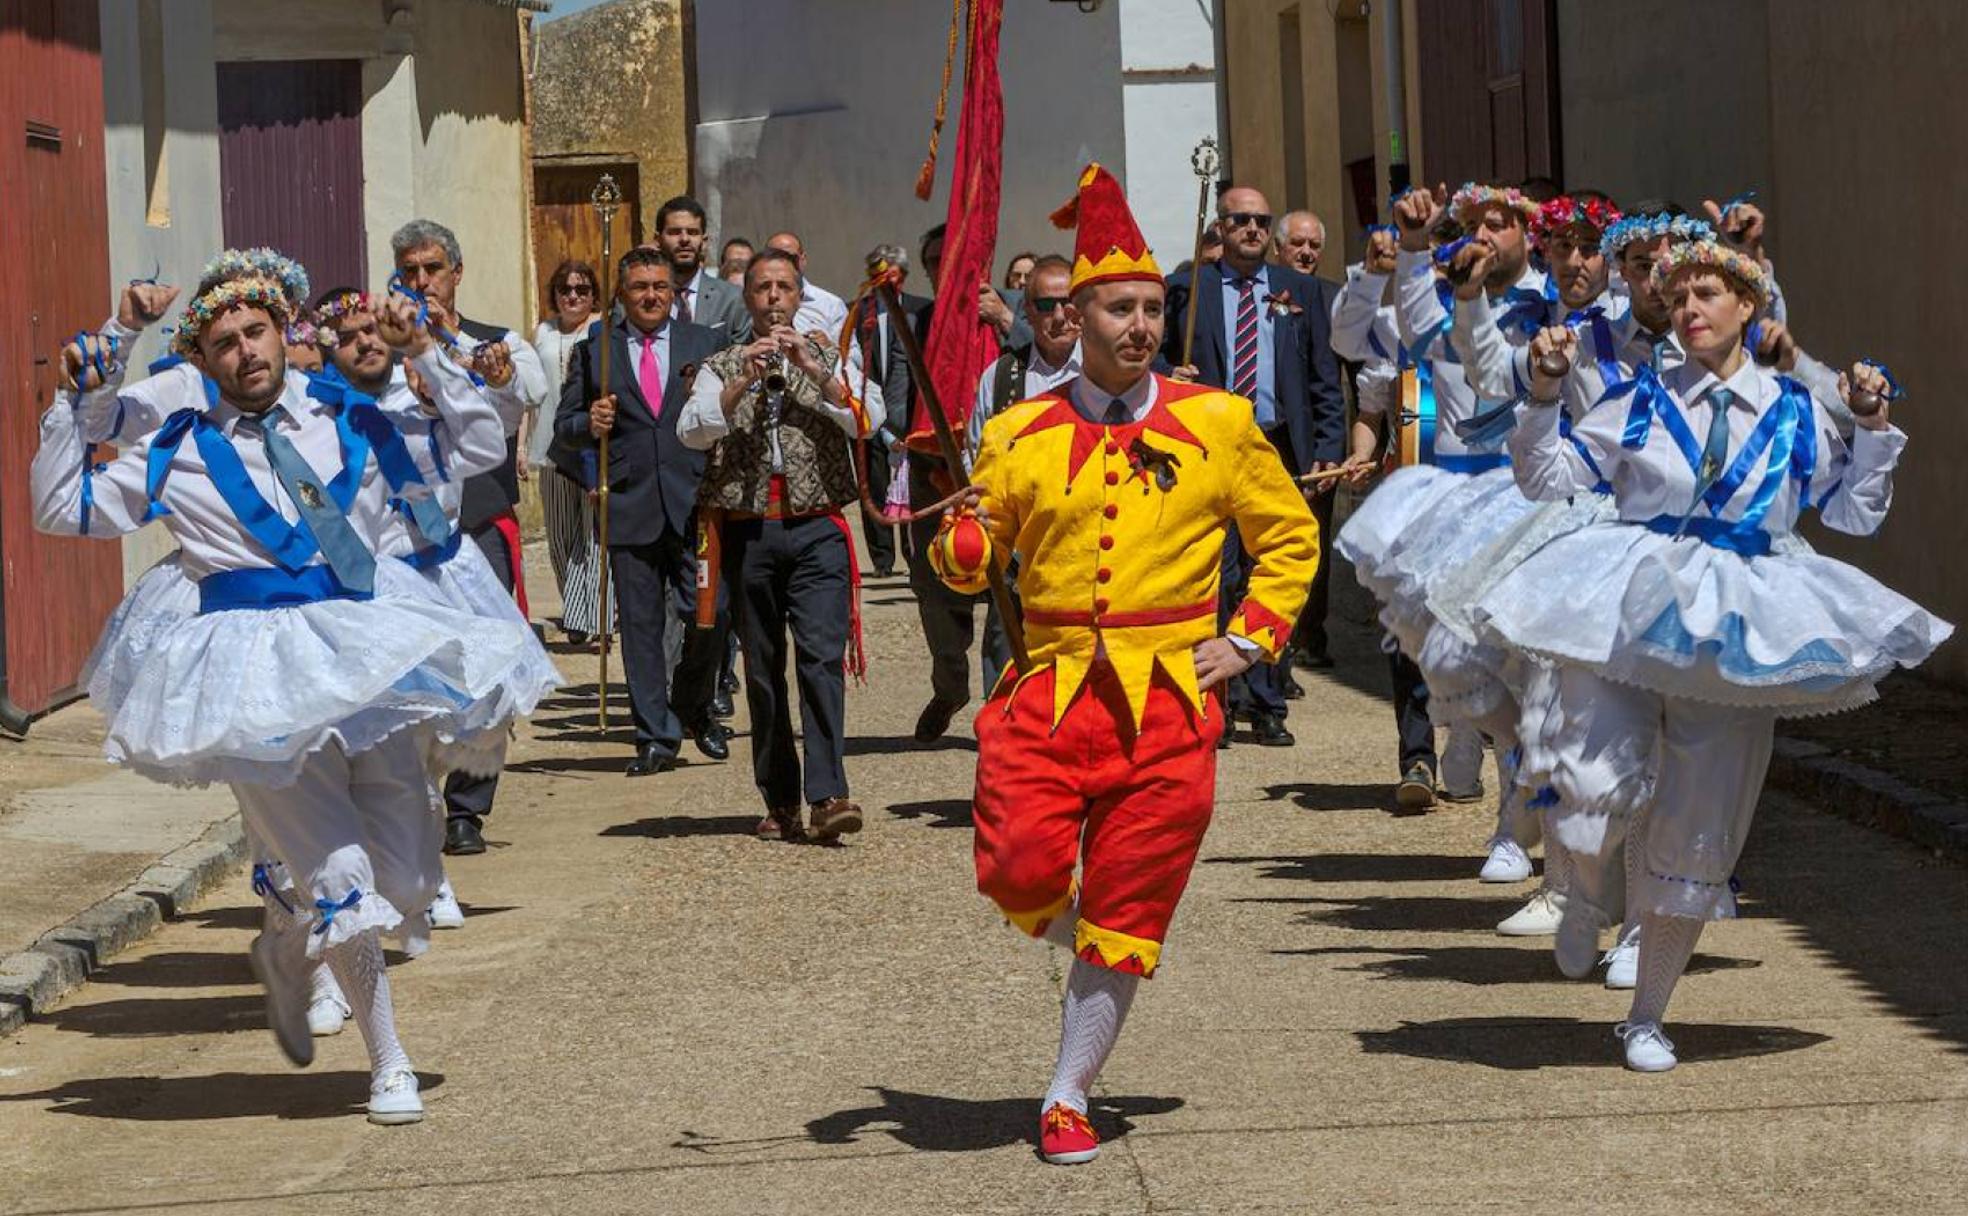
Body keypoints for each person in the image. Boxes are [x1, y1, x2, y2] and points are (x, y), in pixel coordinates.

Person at [38, 267, 540, 1124]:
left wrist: (428, 350)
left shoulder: (351, 415)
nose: (245, 352)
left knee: (412, 880)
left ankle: (284, 916)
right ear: (202, 357)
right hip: (256, 670)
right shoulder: (181, 447)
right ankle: (389, 1063)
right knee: (342, 871)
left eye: (257, 332)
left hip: (361, 648)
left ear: (283, 331)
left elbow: (478, 449)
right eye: (224, 342)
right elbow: (61, 505)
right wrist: (83, 384)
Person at [1476, 241, 1949, 1070]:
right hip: (1633, 591)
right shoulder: (1636, 397)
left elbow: (1854, 516)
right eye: (1680, 296)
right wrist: (1544, 392)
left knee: (1701, 816)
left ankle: (1647, 1016)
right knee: (1592, 777)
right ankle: (1583, 892)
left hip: (1740, 614)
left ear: (1748, 308)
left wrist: (1871, 426)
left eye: (1707, 294)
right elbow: (1549, 477)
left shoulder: (1796, 409)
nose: (1690, 308)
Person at [932, 164, 1318, 1164]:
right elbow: (971, 559)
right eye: (1120, 307)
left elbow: (1290, 540)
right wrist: (964, 544)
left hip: (1169, 706)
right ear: (1076, 317)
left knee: (1127, 901)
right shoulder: (1018, 433)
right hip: (1048, 696)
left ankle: (1069, 1090)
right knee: (1014, 871)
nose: (1140, 325)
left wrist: (1247, 641)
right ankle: (1108, 944)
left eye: (1152, 307)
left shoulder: (1217, 425)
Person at [677, 248, 873, 843]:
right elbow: (692, 431)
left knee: (819, 659)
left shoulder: (831, 356)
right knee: (762, 670)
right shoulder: (721, 364)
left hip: (816, 529)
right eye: (762, 288)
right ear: (748, 298)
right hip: (749, 530)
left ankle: (829, 793)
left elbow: (868, 418)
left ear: (798, 294)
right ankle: (781, 797)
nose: (772, 299)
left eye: (783, 288)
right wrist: (742, 380)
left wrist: (813, 371)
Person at [1163, 183, 1345, 746]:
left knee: (1270, 572)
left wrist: (1329, 445)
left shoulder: (1298, 291)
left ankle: (1267, 701)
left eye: (1261, 222)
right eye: (1240, 220)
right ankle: (1216, 699)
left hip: (1279, 447)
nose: (1252, 231)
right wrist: (1171, 375)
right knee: (1216, 575)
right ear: (1220, 226)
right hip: (1211, 448)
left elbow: (1323, 376)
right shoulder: (1187, 290)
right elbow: (1159, 356)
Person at [390, 218, 550, 857]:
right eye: (411, 271)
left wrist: (450, 340)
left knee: (482, 666)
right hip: (401, 537)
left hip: (477, 528)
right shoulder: (379, 347)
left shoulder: (496, 342)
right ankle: (412, 798)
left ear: (456, 274)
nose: (423, 281)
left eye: (433, 269)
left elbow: (532, 391)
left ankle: (467, 807)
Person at [552, 247, 732, 776]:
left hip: (696, 499)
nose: (651, 296)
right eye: (639, 288)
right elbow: (563, 430)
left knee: (713, 611)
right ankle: (655, 735)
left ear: (674, 292)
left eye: (660, 286)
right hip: (629, 500)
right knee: (640, 625)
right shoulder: (597, 351)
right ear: (622, 295)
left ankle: (693, 703)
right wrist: (591, 421)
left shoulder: (705, 343)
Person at [529, 258, 612, 645]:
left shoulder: (604, 330)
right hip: (551, 442)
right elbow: (532, 394)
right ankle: (576, 607)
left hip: (592, 444)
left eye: (581, 289)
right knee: (561, 534)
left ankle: (593, 618)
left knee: (595, 534)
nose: (573, 296)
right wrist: (522, 445)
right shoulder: (542, 332)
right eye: (565, 289)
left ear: (594, 294)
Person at [651, 195, 750, 348]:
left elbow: (741, 357)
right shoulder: (642, 298)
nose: (684, 239)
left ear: (704, 241)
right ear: (658, 240)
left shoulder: (732, 299)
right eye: (675, 232)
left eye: (692, 232)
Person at [764, 231, 849, 339]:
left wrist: (828, 349)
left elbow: (852, 354)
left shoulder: (831, 305)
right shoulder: (753, 303)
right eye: (775, 258)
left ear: (803, 259)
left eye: (791, 258)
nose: (784, 264)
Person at [1274, 210, 1327, 277]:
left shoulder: (1335, 288)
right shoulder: (1262, 286)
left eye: (1314, 245)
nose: (1306, 252)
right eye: (1298, 243)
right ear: (1277, 247)